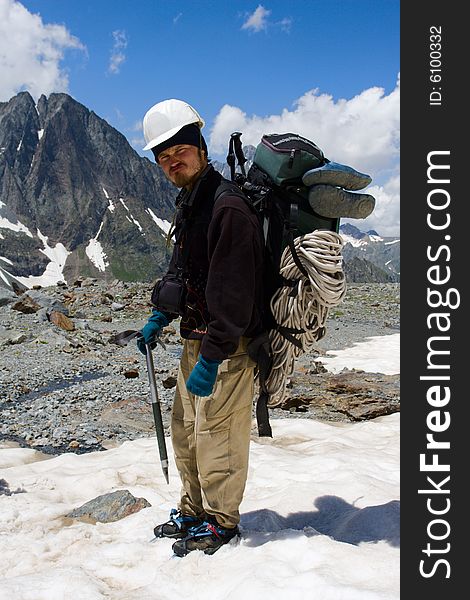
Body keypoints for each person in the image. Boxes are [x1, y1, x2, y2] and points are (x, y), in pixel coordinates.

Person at [137, 98, 265, 557]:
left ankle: (221, 521)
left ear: (199, 146)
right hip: (194, 340)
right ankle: (192, 509)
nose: (173, 161)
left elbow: (234, 295)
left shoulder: (227, 207)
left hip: (226, 349)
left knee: (218, 436)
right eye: (163, 157)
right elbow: (183, 269)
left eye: (180, 152)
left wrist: (213, 357)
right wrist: (161, 314)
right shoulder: (191, 201)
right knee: (186, 433)